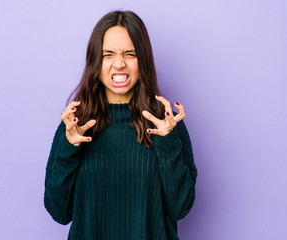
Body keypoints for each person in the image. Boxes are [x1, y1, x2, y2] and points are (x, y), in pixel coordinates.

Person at [44, 10, 197, 240]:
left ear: (142, 60)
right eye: (108, 54)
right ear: (96, 60)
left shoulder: (166, 123)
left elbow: (180, 208)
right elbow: (59, 212)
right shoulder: (76, 125)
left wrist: (167, 141)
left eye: (130, 54)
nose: (119, 64)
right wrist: (69, 148)